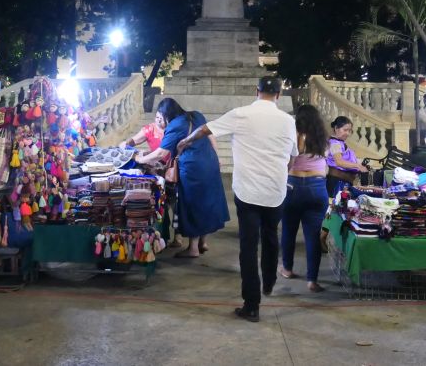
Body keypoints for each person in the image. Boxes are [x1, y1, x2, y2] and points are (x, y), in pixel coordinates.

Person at [175, 75, 297, 322]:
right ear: (279, 95)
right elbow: (293, 156)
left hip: (248, 191)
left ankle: (252, 305)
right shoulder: (287, 121)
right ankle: (269, 281)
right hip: (275, 191)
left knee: (248, 247)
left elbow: (205, 129)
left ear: (256, 91)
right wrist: (283, 173)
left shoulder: (241, 114)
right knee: (271, 236)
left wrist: (186, 141)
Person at [135, 98, 229, 258]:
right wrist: (216, 156)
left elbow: (161, 153)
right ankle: (202, 242)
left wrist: (140, 159)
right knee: (206, 203)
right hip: (210, 163)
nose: (160, 122)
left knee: (193, 205)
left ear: (167, 115)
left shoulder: (175, 126)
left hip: (192, 169)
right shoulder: (197, 115)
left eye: (160, 117)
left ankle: (193, 249)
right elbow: (210, 136)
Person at [279, 104, 330, 292]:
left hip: (292, 186)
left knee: (288, 231)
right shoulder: (323, 140)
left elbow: (287, 159)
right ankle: (312, 280)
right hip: (317, 187)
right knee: (313, 236)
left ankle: (287, 269)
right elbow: (325, 165)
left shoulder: (292, 136)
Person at [325, 116, 364, 197]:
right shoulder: (335, 143)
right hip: (337, 183)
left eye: (349, 131)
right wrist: (357, 165)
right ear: (336, 128)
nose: (348, 133)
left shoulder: (340, 143)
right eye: (345, 130)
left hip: (341, 182)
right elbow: (339, 162)